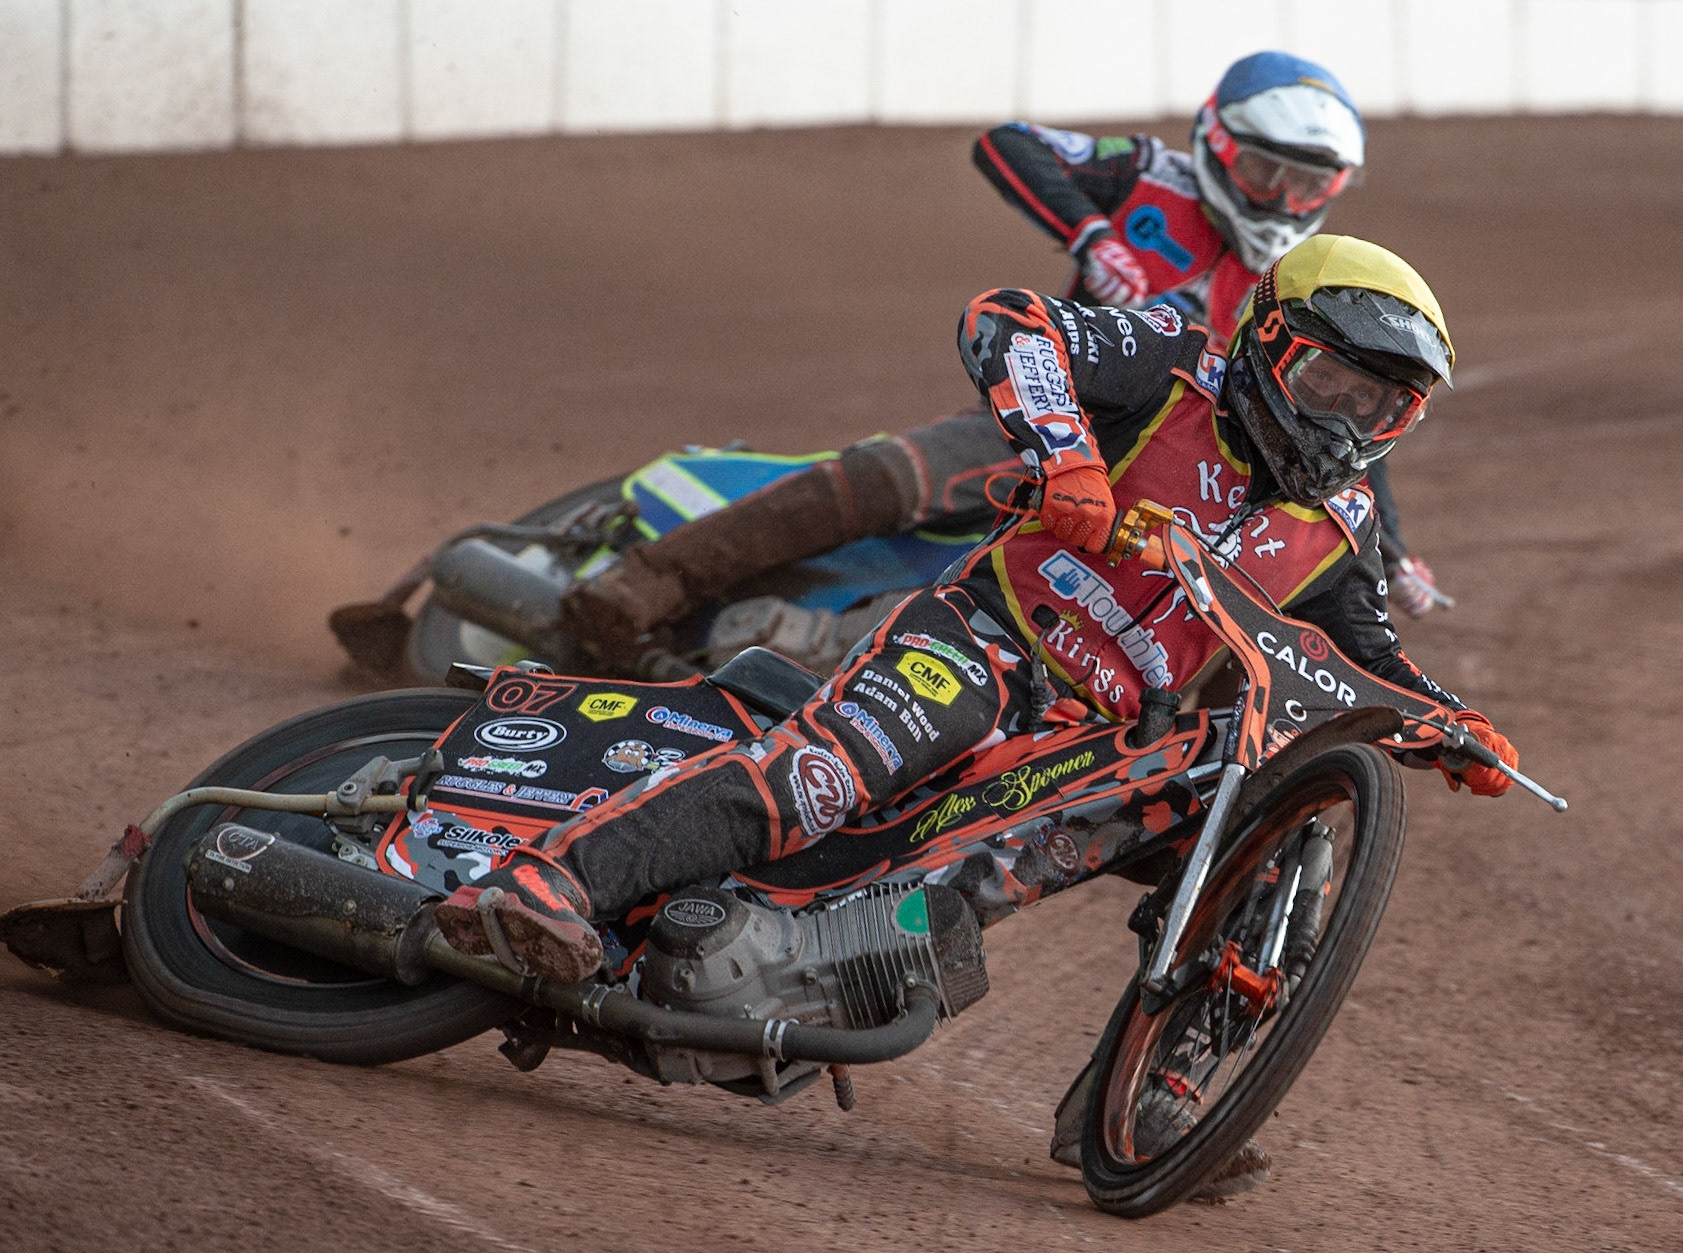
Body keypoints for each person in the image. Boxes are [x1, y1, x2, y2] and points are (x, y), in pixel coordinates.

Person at [434, 234, 1520, 991]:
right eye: (1336, 385)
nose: (1351, 420)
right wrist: (1070, 462)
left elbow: (1361, 650)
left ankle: (1192, 1050)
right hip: (989, 638)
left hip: (1095, 737)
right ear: (1272, 342)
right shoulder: (1177, 362)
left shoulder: (1347, 520)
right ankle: (548, 875)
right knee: (824, 774)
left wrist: (1449, 723)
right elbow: (1010, 318)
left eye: (1384, 405)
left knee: (1251, 820)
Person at [557, 53, 1451, 675]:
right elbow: (1009, 143)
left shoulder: (1300, 290)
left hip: (1180, 471)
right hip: (1047, 409)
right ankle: (638, 586)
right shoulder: (1155, 176)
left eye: (1310, 186)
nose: (1284, 202)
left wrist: (1395, 558)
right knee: (894, 476)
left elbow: (1338, 434)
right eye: (1264, 172)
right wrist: (1093, 233)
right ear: (1216, 144)